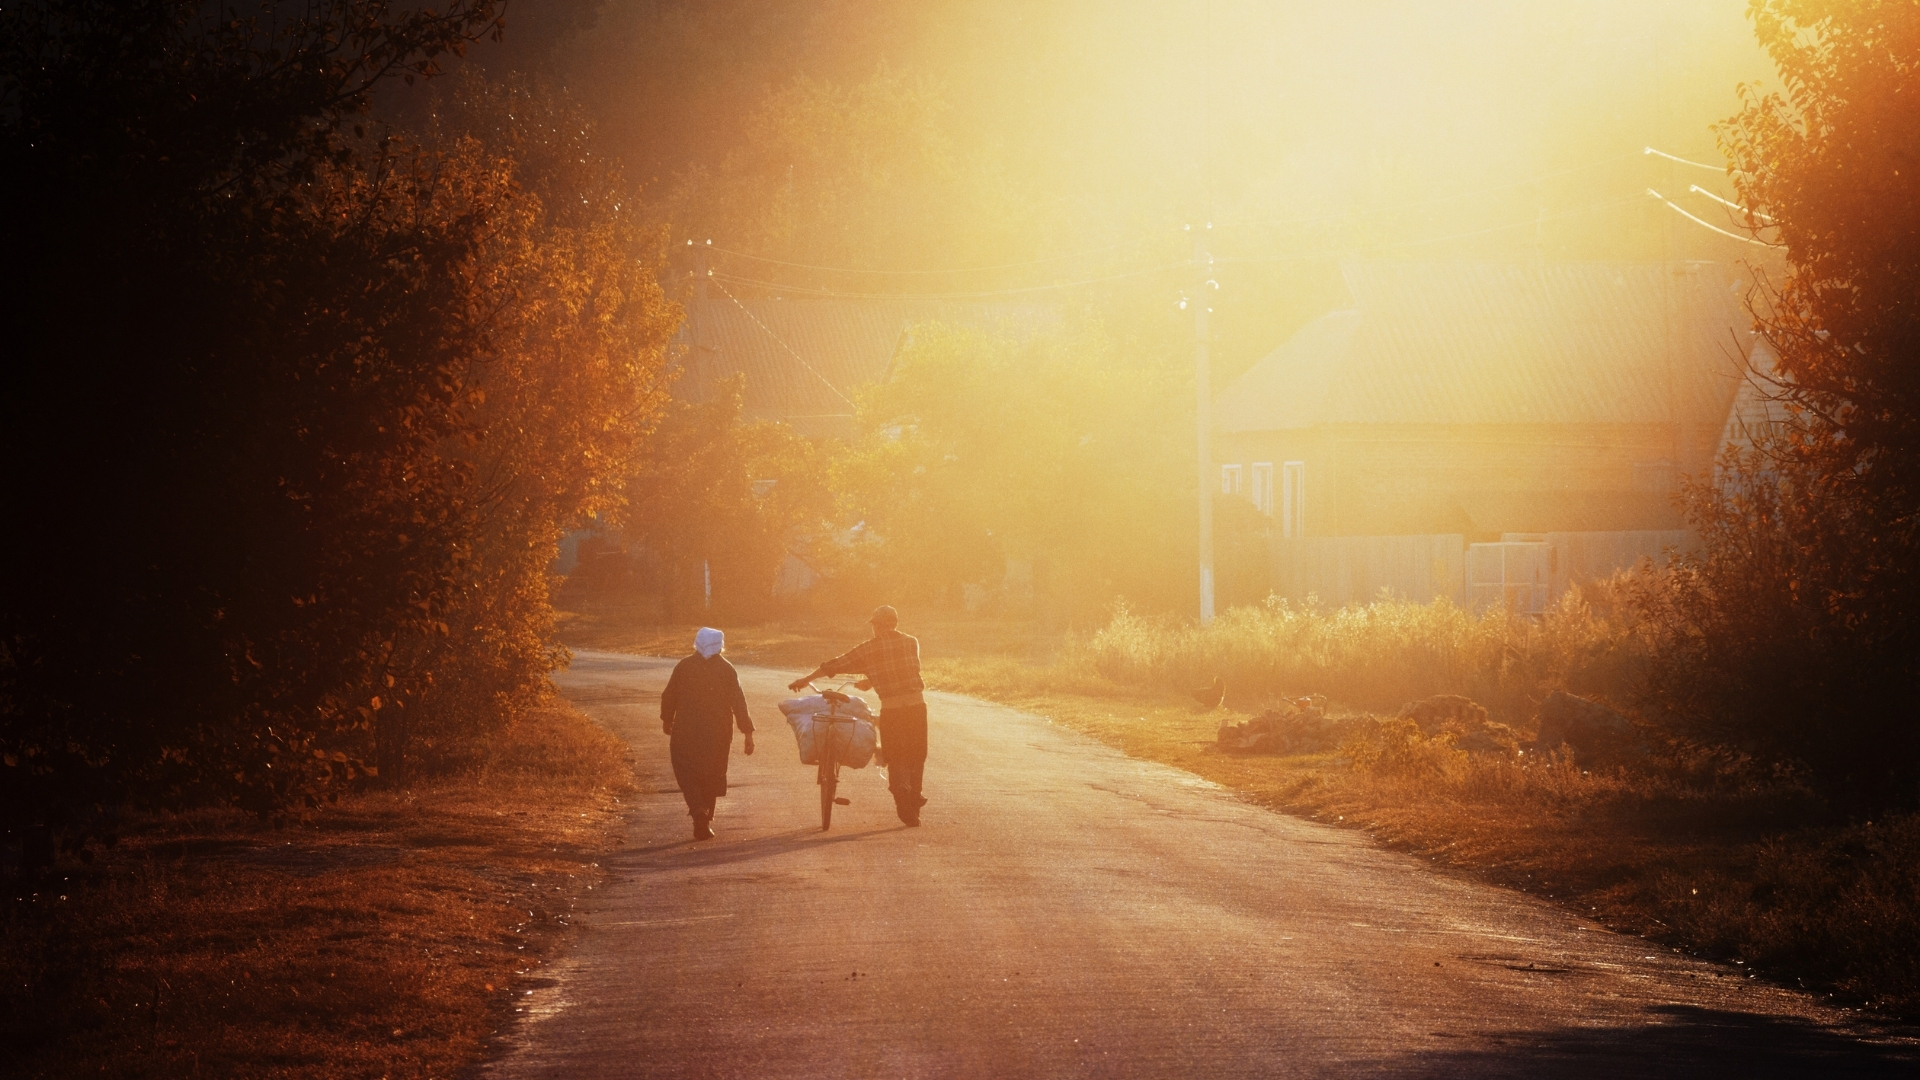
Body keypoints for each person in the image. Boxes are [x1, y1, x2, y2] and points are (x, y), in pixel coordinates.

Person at [789, 606, 928, 826]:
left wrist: (806, 679)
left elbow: (835, 665)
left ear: (876, 626)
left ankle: (901, 791)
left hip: (892, 709)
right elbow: (906, 668)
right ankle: (914, 796)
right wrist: (871, 680)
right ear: (895, 623)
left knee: (895, 754)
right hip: (915, 706)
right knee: (917, 754)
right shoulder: (912, 642)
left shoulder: (868, 649)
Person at [661, 627, 755, 840]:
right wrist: (747, 733)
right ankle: (705, 817)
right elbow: (739, 702)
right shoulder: (726, 669)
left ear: (696, 643)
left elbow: (669, 695)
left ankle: (697, 810)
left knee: (685, 770)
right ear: (720, 645)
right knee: (711, 773)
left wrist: (667, 719)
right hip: (718, 732)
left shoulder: (684, 666)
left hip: (685, 729)